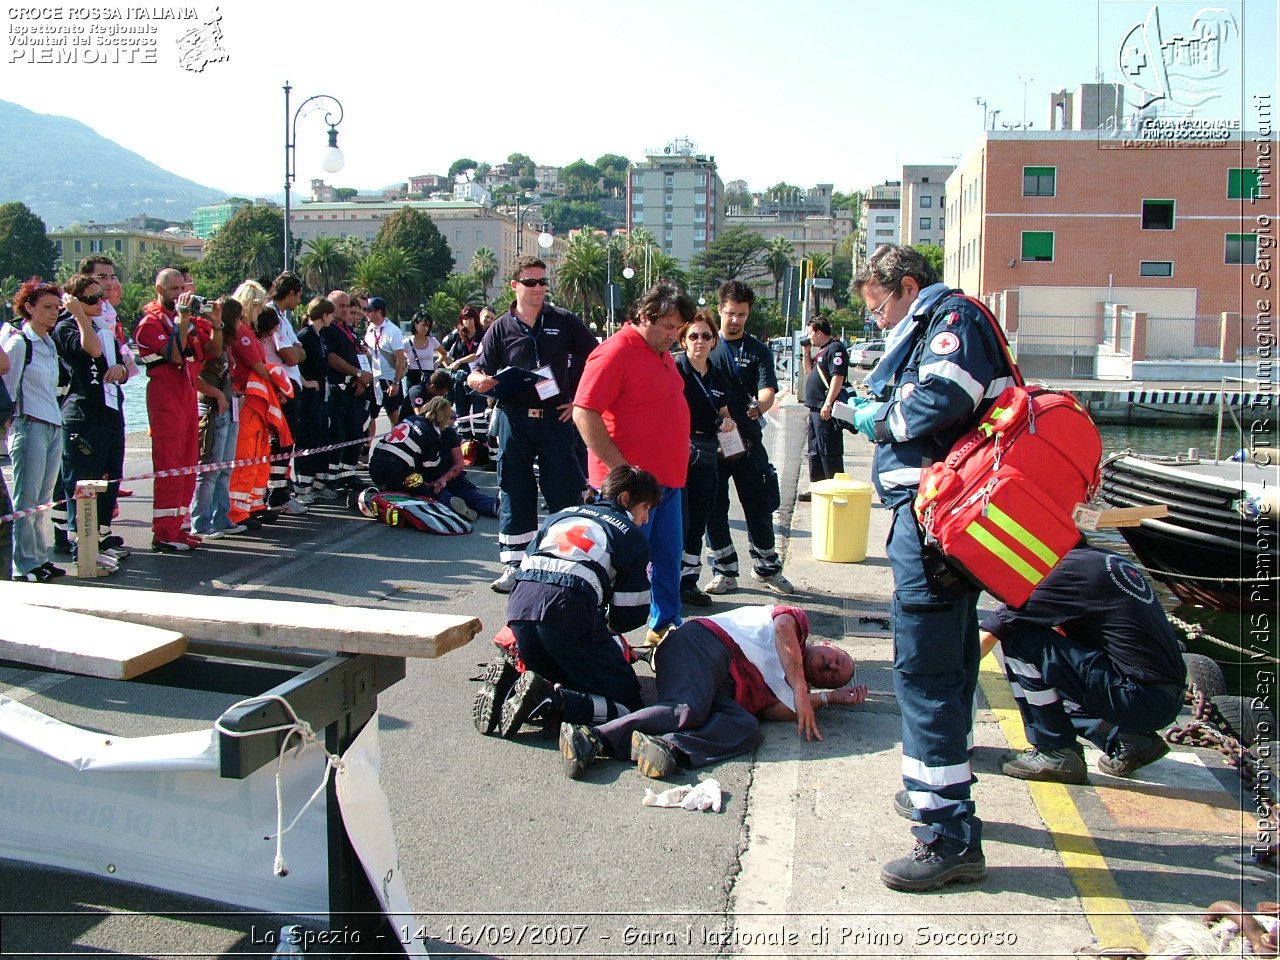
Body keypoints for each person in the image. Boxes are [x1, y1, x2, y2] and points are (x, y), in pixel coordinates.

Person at [852, 242, 1017, 893]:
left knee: (926, 672)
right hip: (934, 521)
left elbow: (936, 401)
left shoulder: (950, 323)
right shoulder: (941, 323)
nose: (881, 323)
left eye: (881, 309)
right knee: (941, 669)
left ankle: (946, 833)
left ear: (906, 287)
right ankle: (936, 797)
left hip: (936, 527)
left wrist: (880, 419)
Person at [559, 605, 866, 780]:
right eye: (837, 659)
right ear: (827, 645)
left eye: (833, 676)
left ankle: (667, 745)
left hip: (719, 689)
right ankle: (592, 737)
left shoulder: (791, 691)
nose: (831, 667)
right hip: (704, 645)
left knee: (748, 728)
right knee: (687, 709)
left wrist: (830, 698)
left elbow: (776, 712)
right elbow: (782, 627)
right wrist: (800, 686)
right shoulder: (796, 626)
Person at [982, 542, 1187, 783]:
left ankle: (1054, 749)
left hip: (1136, 697)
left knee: (1019, 639)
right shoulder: (1101, 558)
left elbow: (991, 633)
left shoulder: (1066, 573)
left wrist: (935, 680)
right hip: (1162, 696)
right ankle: (1125, 738)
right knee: (1052, 672)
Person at [483, 465, 658, 740]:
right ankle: (554, 703)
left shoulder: (560, 516)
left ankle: (511, 685)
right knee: (629, 705)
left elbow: (525, 569)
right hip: (568, 612)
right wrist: (604, 631)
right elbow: (631, 613)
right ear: (625, 500)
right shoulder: (631, 536)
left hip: (520, 608)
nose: (646, 518)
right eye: (645, 508)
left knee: (556, 674)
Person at [466, 255, 598, 593]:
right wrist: (480, 381)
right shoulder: (501, 327)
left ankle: (568, 563)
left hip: (556, 419)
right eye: (531, 282)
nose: (539, 288)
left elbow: (598, 358)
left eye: (543, 282)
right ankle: (514, 565)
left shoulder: (564, 321)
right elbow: (477, 370)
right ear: (515, 286)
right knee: (514, 489)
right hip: (514, 419)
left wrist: (581, 400)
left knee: (564, 489)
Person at [574, 283, 693, 644]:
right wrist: (622, 473)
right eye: (669, 327)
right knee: (620, 567)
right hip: (630, 490)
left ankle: (664, 629)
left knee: (668, 563)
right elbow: (584, 413)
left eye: (679, 329)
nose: (675, 336)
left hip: (666, 483)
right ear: (645, 317)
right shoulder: (615, 352)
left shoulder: (662, 354)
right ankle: (600, 637)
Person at [704, 280, 793, 596]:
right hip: (711, 446)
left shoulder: (758, 351)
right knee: (713, 509)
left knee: (759, 505)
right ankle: (724, 571)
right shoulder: (705, 345)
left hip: (749, 444)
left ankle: (767, 568)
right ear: (720, 310)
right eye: (730, 313)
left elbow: (768, 389)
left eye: (741, 314)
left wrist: (762, 405)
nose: (735, 320)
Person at [52, 273, 133, 571]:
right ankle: (80, 548)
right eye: (90, 298)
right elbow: (92, 350)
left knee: (110, 479)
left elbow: (126, 366)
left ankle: (98, 542)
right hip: (83, 416)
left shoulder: (105, 328)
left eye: (100, 296)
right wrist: (76, 313)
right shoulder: (68, 327)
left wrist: (119, 371)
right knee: (83, 483)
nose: (99, 302)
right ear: (74, 301)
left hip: (110, 412)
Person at [134, 268, 209, 552]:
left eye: (182, 288)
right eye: (174, 289)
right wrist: (182, 321)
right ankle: (163, 532)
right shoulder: (150, 323)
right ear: (159, 289)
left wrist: (212, 322)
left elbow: (204, 353)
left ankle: (178, 526)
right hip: (166, 397)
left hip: (187, 394)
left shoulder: (182, 319)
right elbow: (176, 357)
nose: (180, 294)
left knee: (188, 464)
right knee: (170, 466)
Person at [3, 278, 69, 581]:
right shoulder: (20, 343)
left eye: (57, 307)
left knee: (44, 499)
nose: (54, 312)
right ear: (28, 308)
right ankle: (24, 564)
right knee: (26, 499)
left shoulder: (49, 343)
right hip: (30, 425)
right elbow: (8, 388)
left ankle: (40, 557)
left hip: (53, 424)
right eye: (47, 307)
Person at [674, 310, 735, 608]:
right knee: (677, 522)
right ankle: (664, 581)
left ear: (714, 341)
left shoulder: (718, 375)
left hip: (708, 451)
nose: (700, 341)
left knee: (698, 521)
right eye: (693, 336)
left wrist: (728, 421)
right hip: (676, 450)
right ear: (684, 340)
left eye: (706, 336)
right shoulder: (673, 369)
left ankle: (688, 582)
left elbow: (723, 410)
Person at [227, 304, 289, 529]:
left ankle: (254, 504)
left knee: (260, 455)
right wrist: (279, 384)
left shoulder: (247, 332)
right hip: (249, 400)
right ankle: (238, 511)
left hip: (258, 400)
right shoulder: (242, 332)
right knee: (246, 456)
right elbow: (258, 366)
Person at [190, 297, 244, 538]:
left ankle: (221, 516)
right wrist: (217, 396)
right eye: (240, 318)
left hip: (228, 407)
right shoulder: (208, 339)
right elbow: (196, 378)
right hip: (212, 409)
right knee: (210, 471)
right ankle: (200, 522)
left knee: (225, 469)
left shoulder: (226, 344)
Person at [409, 393, 499, 520]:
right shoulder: (449, 433)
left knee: (438, 495)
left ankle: (451, 508)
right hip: (451, 475)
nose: (454, 421)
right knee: (470, 495)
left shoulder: (419, 428)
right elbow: (458, 465)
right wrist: (444, 479)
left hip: (432, 477)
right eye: (453, 417)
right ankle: (494, 507)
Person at [263, 273, 307, 515]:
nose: (299, 301)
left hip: (289, 384)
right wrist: (298, 352)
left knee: (285, 441)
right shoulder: (272, 316)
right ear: (291, 292)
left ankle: (279, 489)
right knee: (281, 441)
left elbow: (299, 350)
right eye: (298, 295)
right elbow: (291, 354)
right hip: (282, 386)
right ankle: (277, 493)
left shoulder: (282, 317)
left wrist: (298, 351)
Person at [322, 290, 374, 492]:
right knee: (338, 435)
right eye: (342, 306)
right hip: (339, 389)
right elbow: (332, 358)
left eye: (348, 307)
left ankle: (348, 474)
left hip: (355, 390)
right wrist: (358, 373)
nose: (346, 310)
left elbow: (358, 355)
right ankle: (333, 477)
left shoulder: (349, 330)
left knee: (354, 433)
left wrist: (362, 379)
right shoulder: (329, 329)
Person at [799, 315, 848, 494]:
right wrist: (806, 351)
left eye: (810, 333)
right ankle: (818, 487)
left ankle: (834, 488)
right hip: (815, 409)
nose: (809, 337)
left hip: (825, 408)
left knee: (829, 450)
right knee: (815, 450)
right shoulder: (821, 351)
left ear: (819, 332)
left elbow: (838, 376)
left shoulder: (835, 348)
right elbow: (808, 370)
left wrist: (828, 403)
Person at [295, 297, 335, 502]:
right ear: (324, 315)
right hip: (309, 397)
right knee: (308, 440)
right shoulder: (305, 336)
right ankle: (303, 488)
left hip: (322, 396)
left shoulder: (320, 337)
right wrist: (306, 382)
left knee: (322, 439)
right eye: (331, 314)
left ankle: (319, 484)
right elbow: (294, 364)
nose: (332, 318)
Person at [366, 389, 443, 493]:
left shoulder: (410, 419)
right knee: (427, 492)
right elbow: (430, 468)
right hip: (396, 470)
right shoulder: (432, 434)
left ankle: (379, 492)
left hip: (375, 465)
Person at [363, 296, 406, 432]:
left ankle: (396, 445)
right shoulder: (370, 329)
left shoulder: (393, 331)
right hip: (373, 378)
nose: (366, 313)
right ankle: (366, 447)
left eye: (369, 310)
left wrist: (396, 382)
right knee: (370, 416)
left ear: (379, 311)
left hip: (388, 378)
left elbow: (400, 359)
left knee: (394, 416)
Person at [443, 306, 483, 423]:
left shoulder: (483, 334)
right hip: (459, 379)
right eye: (464, 319)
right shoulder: (457, 335)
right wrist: (445, 363)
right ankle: (464, 437)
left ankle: (480, 439)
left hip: (477, 378)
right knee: (461, 412)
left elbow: (478, 354)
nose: (467, 321)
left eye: (470, 318)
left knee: (479, 412)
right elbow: (441, 348)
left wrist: (459, 361)